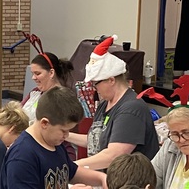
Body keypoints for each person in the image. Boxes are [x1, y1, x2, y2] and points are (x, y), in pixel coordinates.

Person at [68, 35, 158, 168]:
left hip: (128, 184)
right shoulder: (105, 104)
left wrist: (71, 167)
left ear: (111, 80)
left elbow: (113, 156)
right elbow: (95, 141)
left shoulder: (131, 109)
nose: (94, 89)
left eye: (95, 83)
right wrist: (64, 135)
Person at [22, 51, 74, 123]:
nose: (33, 77)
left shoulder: (63, 100)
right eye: (33, 74)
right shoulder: (35, 92)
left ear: (51, 73)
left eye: (37, 73)